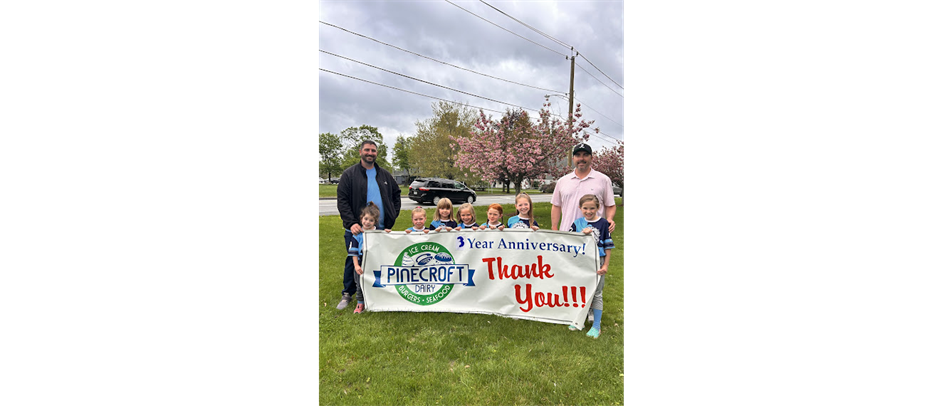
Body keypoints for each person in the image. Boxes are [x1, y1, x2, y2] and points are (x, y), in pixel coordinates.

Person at [336, 140, 401, 310]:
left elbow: (396, 195)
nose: (370, 153)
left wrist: (392, 216)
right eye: (367, 150)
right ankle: (348, 293)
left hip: (380, 230)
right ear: (360, 152)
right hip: (357, 230)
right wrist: (351, 223)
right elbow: (342, 200)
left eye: (373, 150)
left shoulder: (385, 175)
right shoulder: (349, 175)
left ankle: (377, 291)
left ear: (376, 153)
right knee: (354, 260)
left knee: (378, 260)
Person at [566, 194, 614, 338]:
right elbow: (569, 242)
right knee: (581, 291)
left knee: (597, 292)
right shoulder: (577, 223)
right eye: (585, 208)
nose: (589, 211)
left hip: (597, 261)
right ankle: (579, 319)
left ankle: (596, 326)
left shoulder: (603, 223)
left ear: (598, 208)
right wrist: (582, 234)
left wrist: (605, 265)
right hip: (582, 261)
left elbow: (608, 246)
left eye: (592, 208)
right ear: (580, 208)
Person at [551, 142, 617, 234]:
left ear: (591, 158)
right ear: (573, 158)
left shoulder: (603, 180)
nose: (581, 158)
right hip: (567, 234)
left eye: (585, 155)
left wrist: (609, 219)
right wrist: (554, 227)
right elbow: (556, 206)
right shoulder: (562, 181)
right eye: (578, 155)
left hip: (594, 235)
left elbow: (610, 205)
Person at [348, 202, 391, 314]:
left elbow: (387, 244)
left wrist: (388, 234)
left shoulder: (378, 232)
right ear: (361, 218)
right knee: (360, 283)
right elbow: (354, 252)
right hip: (361, 263)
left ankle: (377, 300)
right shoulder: (357, 234)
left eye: (371, 220)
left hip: (375, 264)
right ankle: (360, 303)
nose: (367, 222)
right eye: (366, 219)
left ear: (375, 222)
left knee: (376, 282)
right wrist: (356, 265)